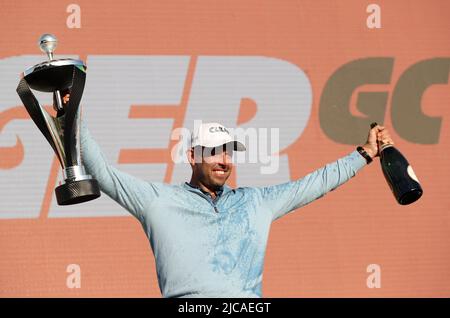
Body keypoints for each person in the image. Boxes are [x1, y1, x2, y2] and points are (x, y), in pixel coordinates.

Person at [74, 96, 394, 298]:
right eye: (213, 153)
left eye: (228, 153)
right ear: (192, 155)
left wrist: (365, 153)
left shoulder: (255, 202)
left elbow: (314, 184)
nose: (224, 161)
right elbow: (102, 174)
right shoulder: (158, 201)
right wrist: (73, 112)